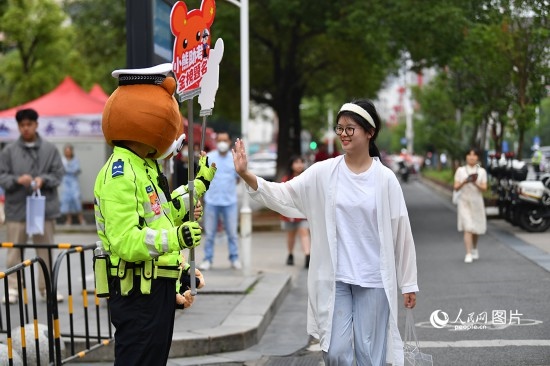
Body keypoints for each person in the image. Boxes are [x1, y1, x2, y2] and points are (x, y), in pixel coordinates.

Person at [233, 99, 418, 365]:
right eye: (339, 128)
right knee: (335, 350)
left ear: (370, 132)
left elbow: (402, 231)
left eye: (350, 128)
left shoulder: (385, 179)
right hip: (336, 277)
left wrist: (408, 282)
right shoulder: (324, 173)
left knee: (370, 354)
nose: (343, 134)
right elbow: (284, 194)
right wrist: (247, 175)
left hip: (374, 278)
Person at [93, 64, 216, 365]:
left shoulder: (145, 166)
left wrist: (198, 186)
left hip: (155, 289)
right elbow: (125, 241)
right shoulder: (120, 174)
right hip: (137, 295)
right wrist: (177, 237)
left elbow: (165, 212)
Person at [0, 108, 65, 304]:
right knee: (14, 251)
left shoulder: (50, 149)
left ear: (36, 125)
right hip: (17, 208)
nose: (26, 128)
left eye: (29, 124)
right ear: (18, 127)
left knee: (45, 250)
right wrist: (18, 180)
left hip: (43, 210)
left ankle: (46, 289)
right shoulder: (9, 151)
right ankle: (12, 288)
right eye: (22, 125)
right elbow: (2, 176)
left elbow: (58, 174)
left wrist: (43, 180)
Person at [199, 131, 241, 270]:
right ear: (217, 142)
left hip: (229, 202)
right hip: (212, 201)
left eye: (225, 140)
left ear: (229, 142)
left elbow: (237, 178)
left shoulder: (233, 158)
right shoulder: (210, 157)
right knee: (209, 234)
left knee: (232, 233)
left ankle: (234, 258)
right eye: (220, 140)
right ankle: (207, 259)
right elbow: (203, 178)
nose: (222, 143)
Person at [453, 148, 488, 263]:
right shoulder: (460, 170)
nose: (472, 157)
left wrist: (475, 182)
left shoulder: (481, 171)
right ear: (466, 157)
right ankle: (468, 253)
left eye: (474, 155)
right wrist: (465, 181)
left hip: (477, 202)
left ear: (477, 157)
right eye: (469, 154)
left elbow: (484, 188)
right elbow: (456, 187)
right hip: (464, 202)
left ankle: (474, 248)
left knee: (476, 229)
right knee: (468, 227)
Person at [280, 155, 311, 268]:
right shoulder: (286, 179)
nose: (299, 165)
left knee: (304, 231)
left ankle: (307, 255)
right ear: (291, 165)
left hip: (303, 212)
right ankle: (290, 254)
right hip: (289, 212)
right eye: (296, 162)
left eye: (301, 162)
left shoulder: (307, 177)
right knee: (291, 235)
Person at [60, 143, 86, 225]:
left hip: (74, 182)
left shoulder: (75, 160)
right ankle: (69, 220)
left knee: (76, 198)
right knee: (66, 200)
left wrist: (69, 170)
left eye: (69, 151)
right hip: (65, 182)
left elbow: (77, 170)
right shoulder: (62, 160)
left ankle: (81, 219)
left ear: (71, 151)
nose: (67, 152)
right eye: (66, 151)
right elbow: (61, 170)